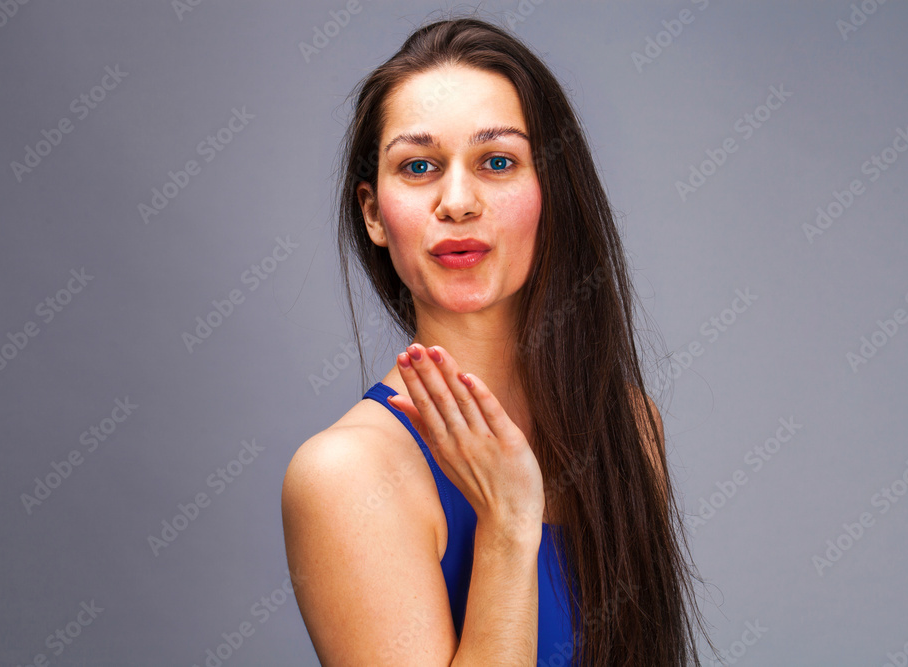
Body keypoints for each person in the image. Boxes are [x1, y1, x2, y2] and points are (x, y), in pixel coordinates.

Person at [282, 15, 716, 666]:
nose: (457, 201)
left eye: (497, 161)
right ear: (373, 212)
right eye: (420, 165)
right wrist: (509, 527)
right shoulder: (346, 476)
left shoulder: (629, 427)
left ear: (550, 191)